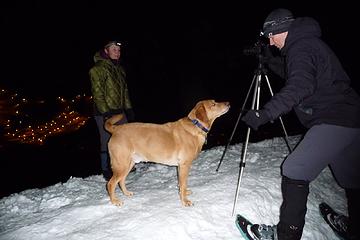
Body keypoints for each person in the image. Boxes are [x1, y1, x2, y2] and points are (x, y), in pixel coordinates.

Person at [241, 8, 360, 240]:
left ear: (278, 30)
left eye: (270, 37)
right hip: (351, 117)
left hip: (333, 118)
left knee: (294, 169)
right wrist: (268, 60)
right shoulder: (307, 43)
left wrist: (264, 114)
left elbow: (300, 86)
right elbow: (298, 73)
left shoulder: (301, 47)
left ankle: (285, 236)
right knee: (352, 179)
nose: (270, 42)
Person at [89, 40, 135, 181]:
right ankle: (107, 168)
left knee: (127, 137)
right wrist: (105, 113)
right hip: (104, 112)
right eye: (114, 49)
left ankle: (127, 163)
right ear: (106, 51)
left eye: (119, 50)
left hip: (119, 110)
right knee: (107, 140)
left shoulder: (119, 69)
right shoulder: (97, 69)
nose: (117, 52)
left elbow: (124, 91)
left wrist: (129, 108)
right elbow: (97, 93)